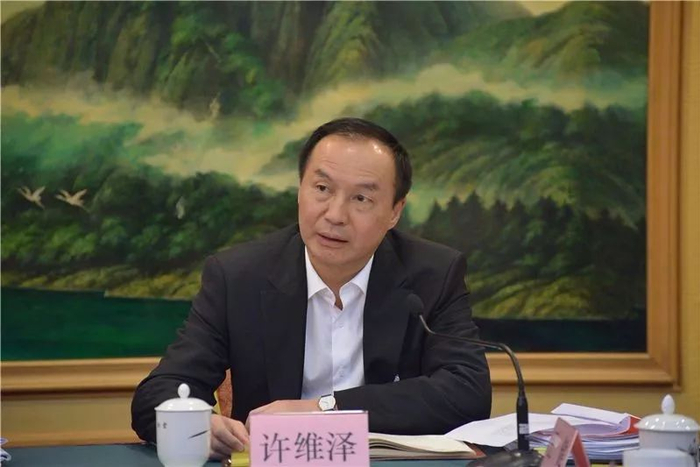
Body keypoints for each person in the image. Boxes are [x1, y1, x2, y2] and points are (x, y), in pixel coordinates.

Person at [131, 117, 492, 460]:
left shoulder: (433, 274)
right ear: (300, 190)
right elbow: (156, 396)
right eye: (322, 189)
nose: (335, 215)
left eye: (361, 199)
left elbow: (467, 392)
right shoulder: (238, 277)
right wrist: (197, 429)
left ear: (395, 211)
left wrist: (325, 409)